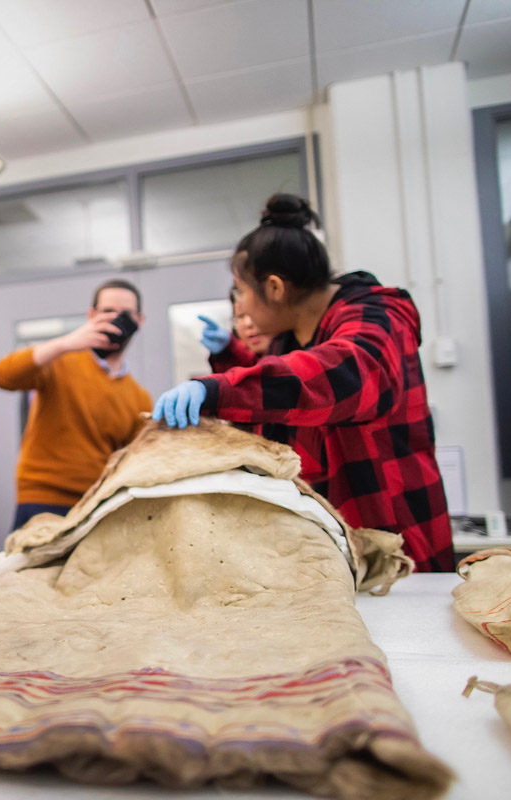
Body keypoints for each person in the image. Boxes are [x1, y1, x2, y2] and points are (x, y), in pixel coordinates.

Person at [153, 194, 453, 573]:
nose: (240, 308)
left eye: (241, 291)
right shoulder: (288, 338)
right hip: (330, 548)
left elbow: (336, 377)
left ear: (275, 288)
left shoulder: (378, 317)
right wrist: (228, 360)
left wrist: (217, 389)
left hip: (396, 542)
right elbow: (279, 401)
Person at [0, 279, 152, 530]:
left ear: (140, 320)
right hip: (41, 501)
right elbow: (3, 376)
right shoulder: (60, 361)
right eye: (108, 311)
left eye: (126, 314)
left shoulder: (138, 396)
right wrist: (66, 343)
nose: (116, 318)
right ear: (91, 315)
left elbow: (135, 461)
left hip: (96, 506)